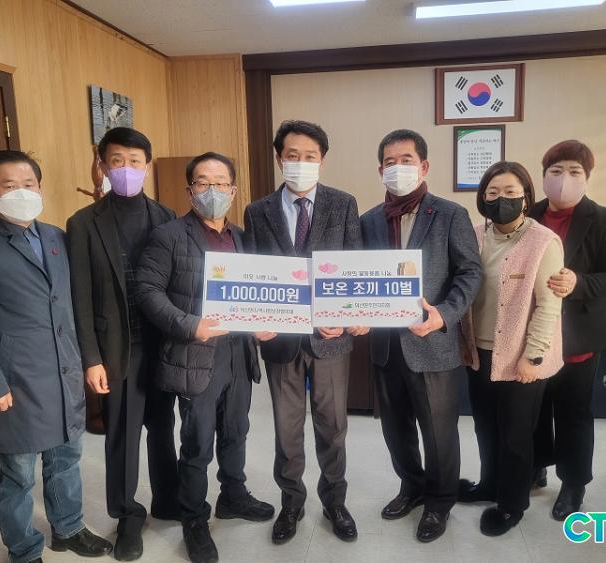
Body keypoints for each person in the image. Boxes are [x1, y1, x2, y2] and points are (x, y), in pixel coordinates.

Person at [0, 150, 112, 563]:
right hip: (13, 380)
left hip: (62, 373)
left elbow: (74, 305)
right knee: (18, 473)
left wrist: (87, 361)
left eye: (29, 184)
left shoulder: (57, 238)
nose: (21, 192)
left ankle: (68, 528)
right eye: (9, 186)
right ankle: (23, 550)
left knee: (66, 459)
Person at [136, 152, 274, 563]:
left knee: (236, 431)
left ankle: (233, 495)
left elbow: (254, 292)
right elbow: (147, 291)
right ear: (189, 190)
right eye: (203, 182)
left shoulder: (242, 237)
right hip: (195, 354)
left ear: (233, 190)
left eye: (220, 183)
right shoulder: (168, 236)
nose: (212, 190)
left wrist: (263, 323)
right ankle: (194, 517)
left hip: (238, 352)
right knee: (197, 442)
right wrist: (189, 324)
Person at [243, 120, 365, 544]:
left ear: (322, 161)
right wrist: (255, 321)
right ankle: (291, 502)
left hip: (330, 338)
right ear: (280, 158)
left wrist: (349, 315)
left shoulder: (343, 204)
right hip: (280, 340)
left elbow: (353, 265)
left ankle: (335, 501)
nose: (300, 162)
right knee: (287, 429)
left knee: (333, 427)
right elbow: (253, 273)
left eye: (309, 156)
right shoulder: (257, 211)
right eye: (292, 155)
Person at [361, 129, 482, 543]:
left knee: (438, 431)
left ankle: (440, 501)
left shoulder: (450, 214)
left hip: (432, 342)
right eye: (390, 162)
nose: (398, 168)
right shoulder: (369, 220)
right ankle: (411, 486)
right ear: (380, 170)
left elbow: (470, 273)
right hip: (385, 345)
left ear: (424, 166)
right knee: (396, 429)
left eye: (406, 160)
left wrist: (444, 315)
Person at [67, 127, 180, 560]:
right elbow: (79, 297)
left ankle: (167, 499)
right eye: (117, 161)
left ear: (147, 166)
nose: (127, 169)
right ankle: (128, 516)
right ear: (102, 165)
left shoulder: (168, 217)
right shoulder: (83, 223)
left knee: (163, 428)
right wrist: (90, 358)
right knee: (122, 436)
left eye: (135, 161)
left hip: (163, 345)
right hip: (117, 349)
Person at [457, 161, 564, 536]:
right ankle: (490, 484)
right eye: (492, 192)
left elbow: (549, 305)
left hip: (522, 357)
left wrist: (532, 356)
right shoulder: (473, 235)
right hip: (479, 353)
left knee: (516, 435)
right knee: (485, 426)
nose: (500, 199)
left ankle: (512, 504)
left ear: (526, 198)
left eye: (510, 192)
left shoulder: (543, 242)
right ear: (481, 198)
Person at [530, 140, 606, 520]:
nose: (564, 179)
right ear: (543, 176)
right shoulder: (529, 215)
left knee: (573, 412)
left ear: (587, 177)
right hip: (533, 332)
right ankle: (536, 466)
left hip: (579, 335)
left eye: (574, 171)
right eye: (556, 171)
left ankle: (573, 484)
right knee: (534, 408)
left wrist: (579, 283)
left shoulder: (603, 219)